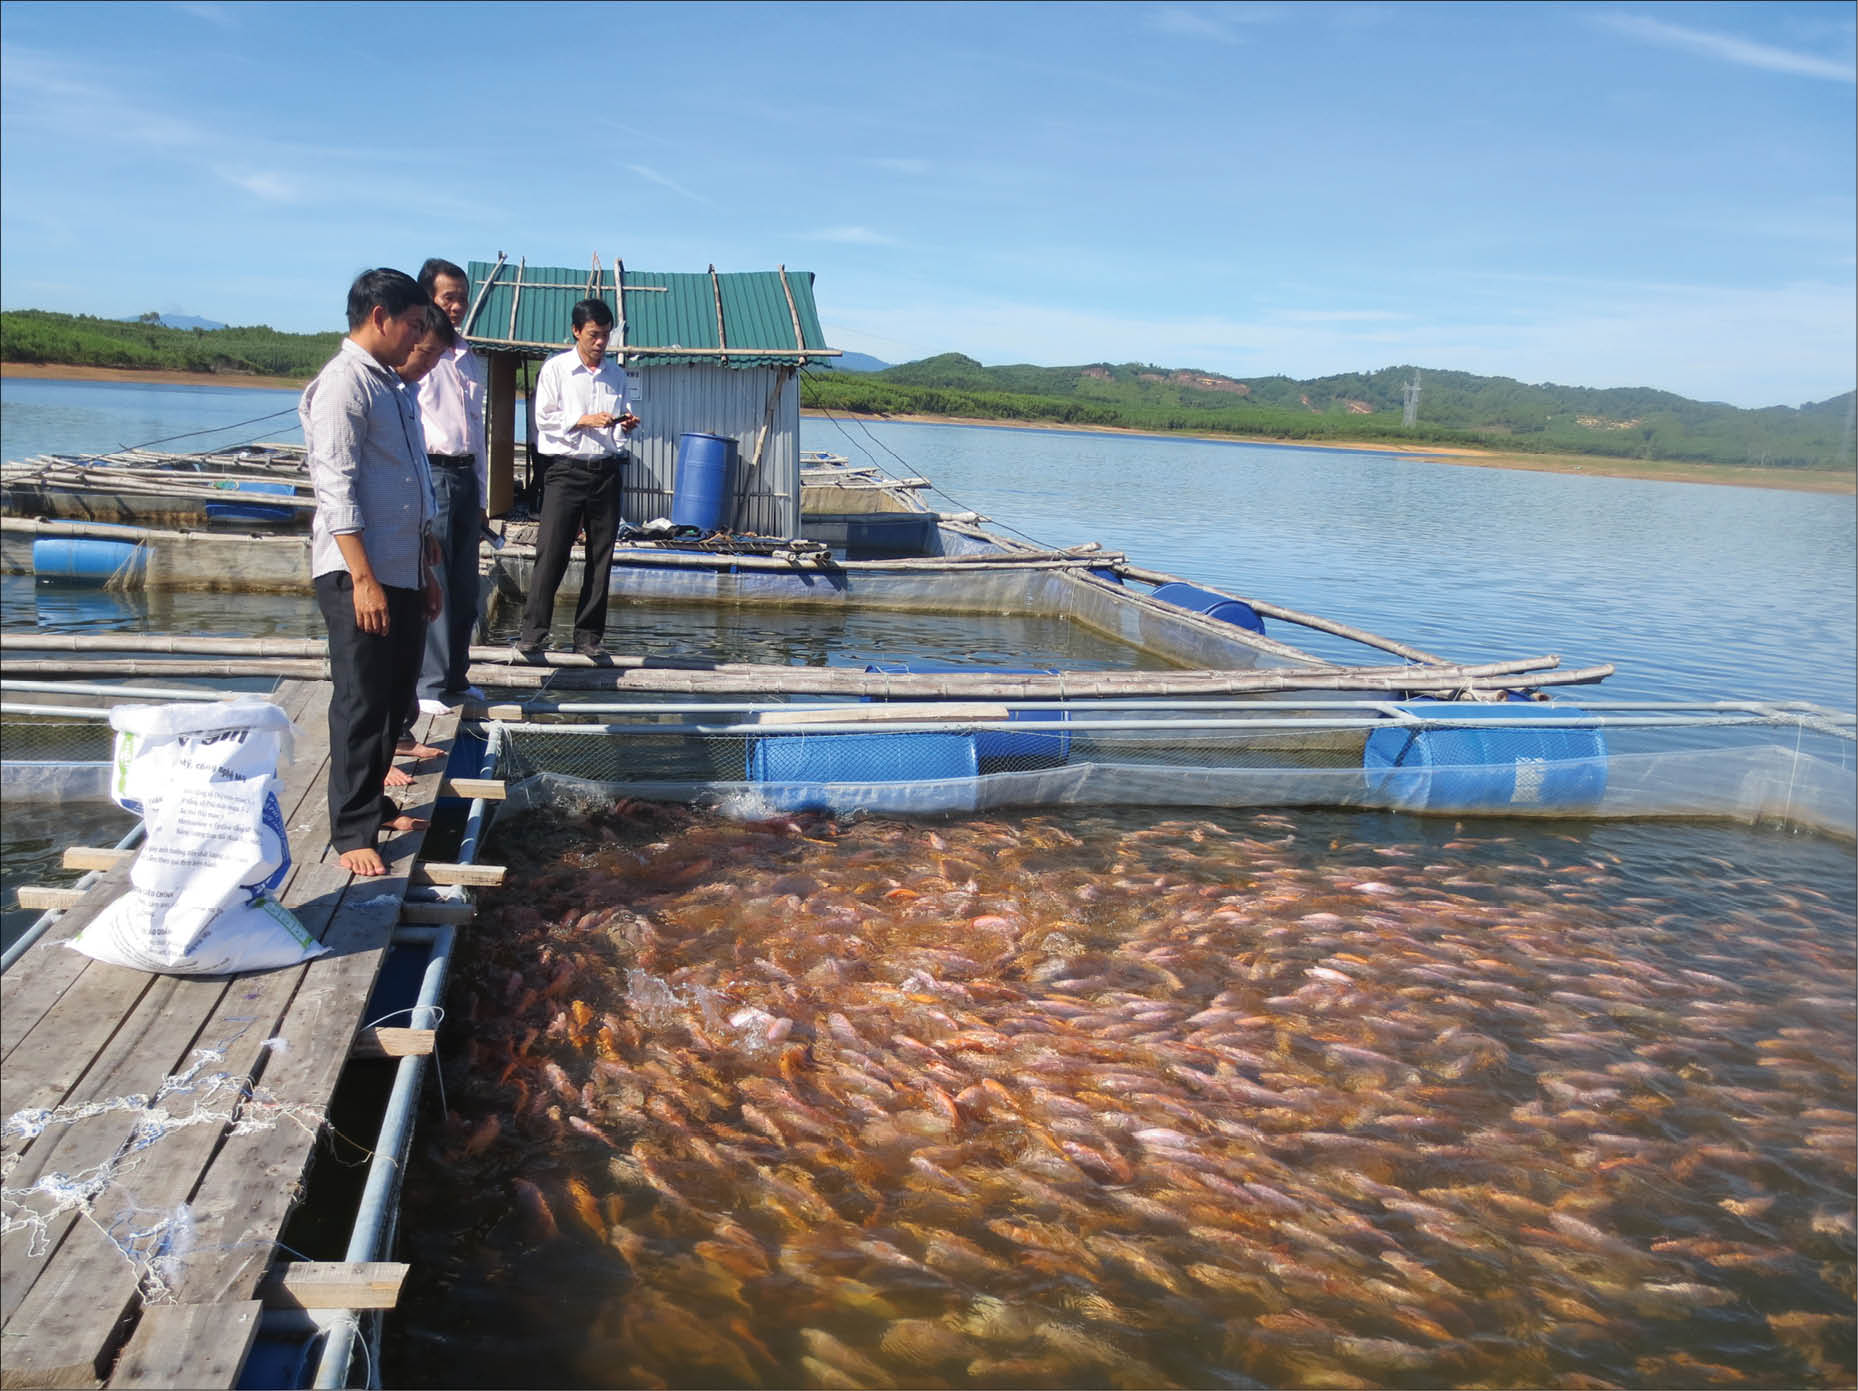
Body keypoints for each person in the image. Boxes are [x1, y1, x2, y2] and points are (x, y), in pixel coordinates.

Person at [301, 268, 441, 877]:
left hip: (400, 567)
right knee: (361, 699)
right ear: (379, 316)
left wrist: (423, 569)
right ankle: (352, 828)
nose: (417, 338)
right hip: (359, 570)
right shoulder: (343, 386)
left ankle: (376, 804)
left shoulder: (389, 386)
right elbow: (337, 488)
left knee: (392, 697)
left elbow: (408, 482)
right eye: (412, 324)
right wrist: (363, 578)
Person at [514, 298, 639, 657]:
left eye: (605, 336)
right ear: (576, 332)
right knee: (552, 553)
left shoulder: (615, 375)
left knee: (601, 558)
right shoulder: (556, 370)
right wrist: (584, 419)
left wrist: (623, 426)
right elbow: (544, 420)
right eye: (594, 335)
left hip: (605, 471)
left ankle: (588, 637)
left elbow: (615, 434)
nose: (600, 343)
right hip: (565, 471)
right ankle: (533, 633)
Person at [412, 257, 489, 715]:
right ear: (428, 299)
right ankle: (428, 686)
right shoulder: (420, 350)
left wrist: (481, 492)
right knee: (434, 579)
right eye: (448, 297)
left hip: (464, 473)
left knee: (464, 583)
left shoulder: (466, 355)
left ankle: (456, 676)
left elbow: (476, 429)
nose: (457, 306)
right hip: (434, 471)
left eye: (462, 297)